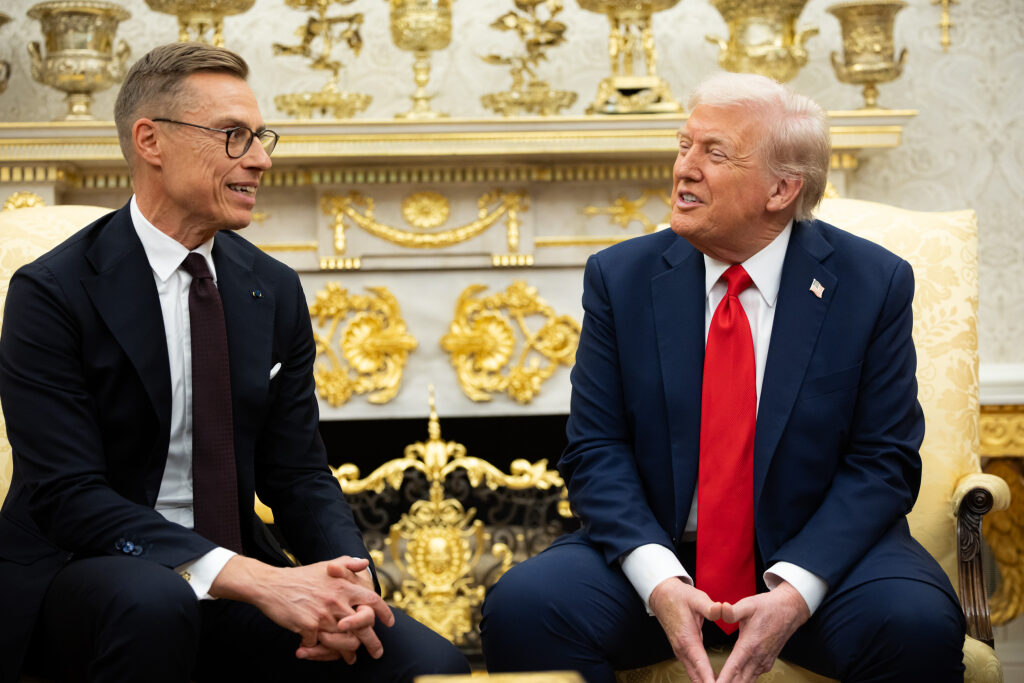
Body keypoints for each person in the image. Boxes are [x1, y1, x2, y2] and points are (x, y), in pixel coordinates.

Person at [0, 42, 468, 683]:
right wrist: (252, 578)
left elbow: (298, 473)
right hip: (86, 568)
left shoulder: (271, 288)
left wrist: (352, 586)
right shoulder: (53, 291)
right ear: (150, 140)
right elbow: (68, 495)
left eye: (260, 137)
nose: (260, 159)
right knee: (155, 602)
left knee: (427, 663)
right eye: (233, 136)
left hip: (240, 573)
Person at [480, 73, 966, 683]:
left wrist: (795, 589)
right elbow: (595, 450)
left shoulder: (872, 283)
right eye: (684, 145)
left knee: (915, 625)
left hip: (820, 559)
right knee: (524, 608)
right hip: (658, 551)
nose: (684, 168)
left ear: (782, 189)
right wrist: (659, 579)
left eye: (715, 153)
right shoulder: (620, 278)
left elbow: (883, 461)